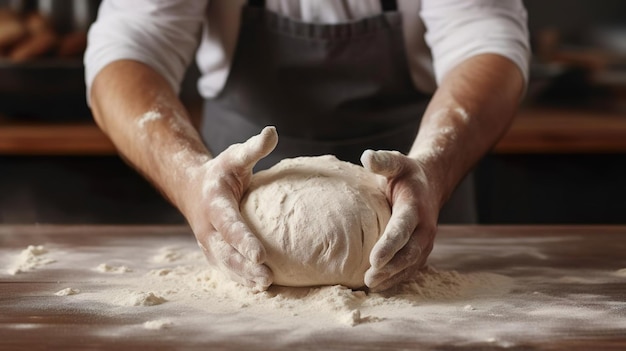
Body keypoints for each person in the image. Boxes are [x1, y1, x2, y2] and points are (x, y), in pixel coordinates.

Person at [84, 0, 530, 292]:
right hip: (239, 190)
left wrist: (434, 168)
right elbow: (129, 47)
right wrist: (189, 177)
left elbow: (487, 41)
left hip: (415, 187)